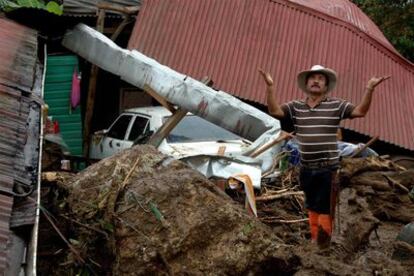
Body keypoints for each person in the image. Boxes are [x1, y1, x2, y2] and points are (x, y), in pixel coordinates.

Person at [259, 65, 389, 248]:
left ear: (326, 86)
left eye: (321, 78)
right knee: (312, 207)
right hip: (306, 167)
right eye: (313, 78)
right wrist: (270, 87)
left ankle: (323, 246)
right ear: (306, 84)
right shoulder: (296, 106)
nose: (316, 81)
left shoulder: (336, 105)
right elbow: (275, 112)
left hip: (327, 167)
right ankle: (315, 241)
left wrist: (370, 89)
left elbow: (360, 111)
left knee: (325, 209)